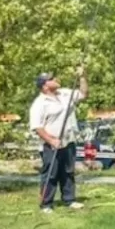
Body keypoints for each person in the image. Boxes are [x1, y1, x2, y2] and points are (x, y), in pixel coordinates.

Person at [29, 66, 88, 213]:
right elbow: (37, 127)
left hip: (68, 140)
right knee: (51, 173)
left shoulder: (64, 94)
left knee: (68, 171)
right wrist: (50, 140)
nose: (55, 79)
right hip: (51, 144)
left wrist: (82, 77)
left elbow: (83, 94)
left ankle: (69, 199)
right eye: (51, 79)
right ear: (45, 86)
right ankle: (46, 204)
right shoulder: (39, 104)